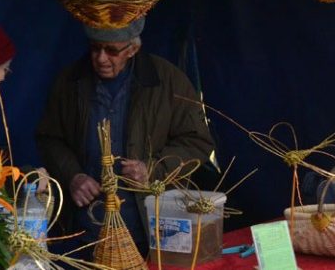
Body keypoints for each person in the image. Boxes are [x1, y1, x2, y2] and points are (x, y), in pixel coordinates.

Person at [35, 16, 215, 256]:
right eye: (95, 48)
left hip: (147, 226)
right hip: (86, 229)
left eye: (111, 51)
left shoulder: (167, 81)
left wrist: (152, 170)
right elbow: (49, 138)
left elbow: (197, 142)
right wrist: (72, 176)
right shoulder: (70, 82)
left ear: (133, 49)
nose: (100, 58)